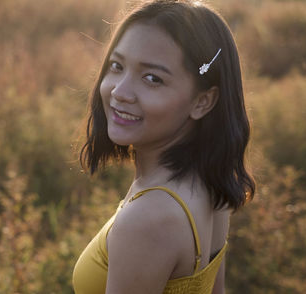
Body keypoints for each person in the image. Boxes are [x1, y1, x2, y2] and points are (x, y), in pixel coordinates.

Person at [72, 1, 255, 293]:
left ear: (202, 101)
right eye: (117, 66)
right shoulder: (208, 181)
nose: (120, 91)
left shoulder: (148, 220)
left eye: (152, 78)